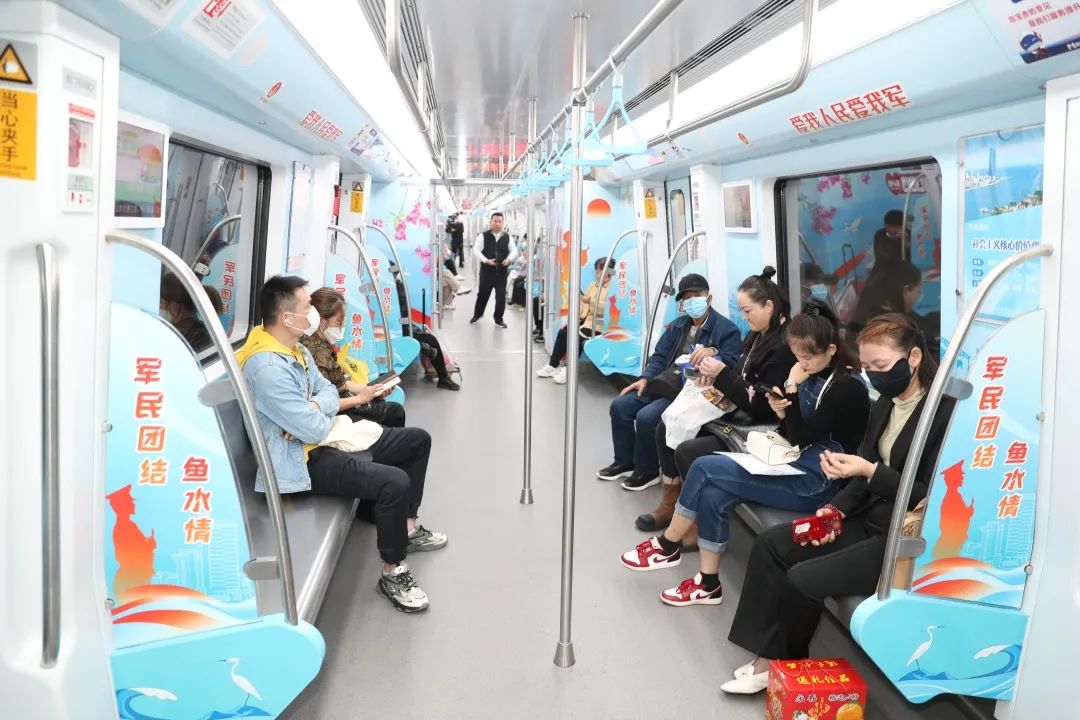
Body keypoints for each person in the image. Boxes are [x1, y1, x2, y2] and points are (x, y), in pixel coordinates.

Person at [719, 313, 953, 694]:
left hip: (901, 536)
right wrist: (835, 510)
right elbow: (863, 472)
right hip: (867, 514)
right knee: (771, 545)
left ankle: (783, 664)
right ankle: (766, 654)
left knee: (802, 579)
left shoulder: (943, 414)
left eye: (881, 366)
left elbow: (928, 494)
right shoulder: (886, 403)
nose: (874, 375)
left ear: (913, 358)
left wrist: (870, 471)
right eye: (867, 367)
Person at [619, 303, 871, 609]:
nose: (801, 364)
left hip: (817, 481)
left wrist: (791, 388)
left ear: (831, 350)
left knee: (703, 467)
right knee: (713, 493)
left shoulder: (847, 389)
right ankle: (708, 584)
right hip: (790, 462)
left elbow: (802, 436)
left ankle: (668, 543)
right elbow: (792, 432)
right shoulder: (812, 374)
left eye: (807, 358)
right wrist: (783, 410)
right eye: (797, 357)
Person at [237, 275, 448, 613]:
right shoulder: (267, 367)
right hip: (301, 462)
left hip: (322, 439)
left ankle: (406, 528)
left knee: (417, 441)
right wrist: (313, 414)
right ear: (287, 317)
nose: (312, 313)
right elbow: (311, 429)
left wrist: (314, 406)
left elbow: (326, 393)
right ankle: (393, 571)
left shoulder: (295, 348)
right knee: (394, 481)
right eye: (307, 306)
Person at [641, 268, 796, 533]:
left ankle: (695, 521)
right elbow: (740, 375)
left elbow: (761, 405)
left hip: (757, 426)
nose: (744, 317)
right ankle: (670, 503)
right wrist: (714, 379)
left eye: (748, 311)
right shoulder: (757, 335)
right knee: (664, 428)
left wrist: (722, 375)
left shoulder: (782, 347)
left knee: (687, 451)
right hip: (738, 411)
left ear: (769, 306)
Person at [599, 273, 742, 493]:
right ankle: (625, 462)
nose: (692, 301)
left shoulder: (726, 329)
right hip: (665, 381)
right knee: (621, 406)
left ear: (709, 298)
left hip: (691, 391)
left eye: (696, 296)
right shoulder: (677, 326)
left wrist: (713, 352)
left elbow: (731, 361)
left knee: (647, 417)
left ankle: (647, 471)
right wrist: (645, 378)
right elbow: (659, 357)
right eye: (687, 298)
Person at [299, 287, 407, 428]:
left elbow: (341, 383)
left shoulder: (322, 343)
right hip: (333, 414)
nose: (341, 327)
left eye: (343, 322)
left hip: (343, 403)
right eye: (338, 322)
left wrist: (371, 391)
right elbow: (324, 400)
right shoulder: (313, 351)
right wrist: (360, 399)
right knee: (395, 413)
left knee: (389, 408)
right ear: (321, 320)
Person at [537, 256, 613, 385]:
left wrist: (589, 301)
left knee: (577, 337)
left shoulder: (612, 288)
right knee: (564, 331)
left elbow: (607, 308)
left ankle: (569, 370)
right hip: (585, 320)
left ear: (609, 272)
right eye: (597, 270)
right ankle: (553, 365)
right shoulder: (593, 285)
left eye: (600, 270)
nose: (598, 273)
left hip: (599, 324)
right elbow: (583, 303)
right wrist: (577, 316)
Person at [470, 212, 518, 328]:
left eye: (500, 222)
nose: (497, 224)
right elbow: (476, 250)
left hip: (501, 273)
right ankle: (478, 314)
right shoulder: (483, 236)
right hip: (487, 272)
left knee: (501, 297)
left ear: (503, 223)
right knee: (482, 295)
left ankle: (498, 319)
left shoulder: (507, 237)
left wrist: (509, 259)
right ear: (490, 222)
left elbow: (514, 250)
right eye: (495, 221)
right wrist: (486, 260)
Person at [851, 259, 923, 332]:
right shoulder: (894, 326)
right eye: (918, 291)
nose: (919, 295)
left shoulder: (870, 312)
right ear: (906, 289)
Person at [159, 272, 223, 351]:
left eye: (161, 301)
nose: (159, 306)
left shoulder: (174, 337)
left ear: (175, 306)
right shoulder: (202, 331)